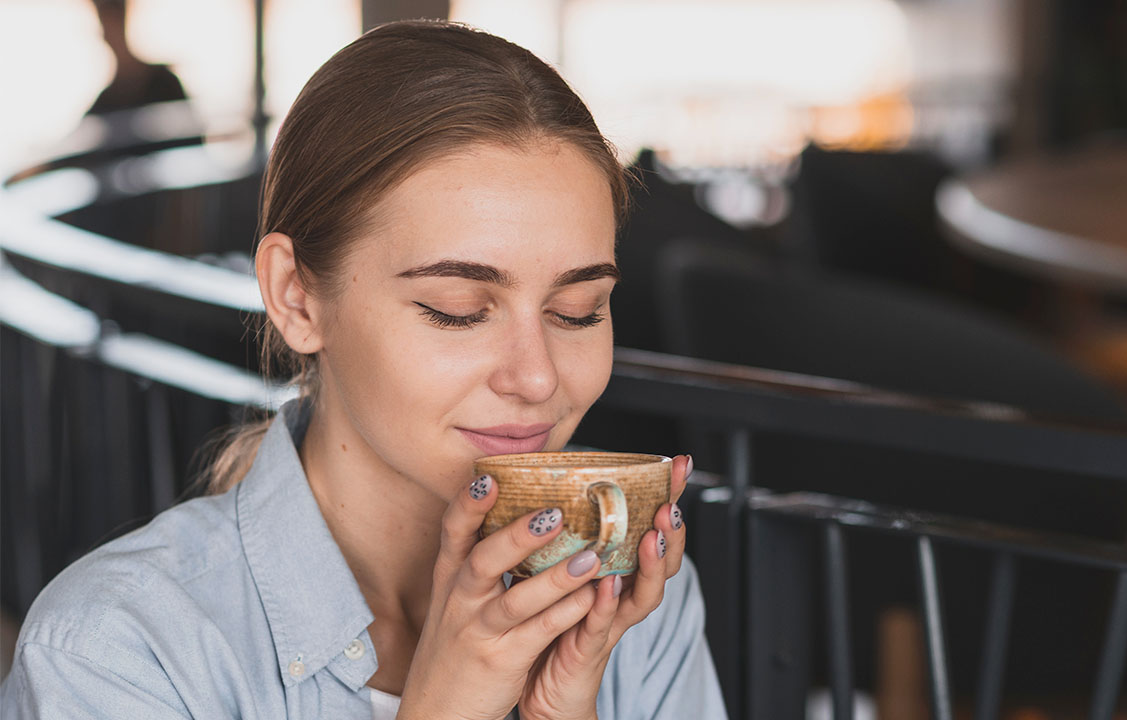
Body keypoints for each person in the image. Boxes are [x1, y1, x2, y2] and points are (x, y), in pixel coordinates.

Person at [0, 20, 726, 720]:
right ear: (296, 296)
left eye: (576, 310)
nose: (536, 379)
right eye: (457, 308)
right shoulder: (115, 652)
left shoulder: (629, 602)